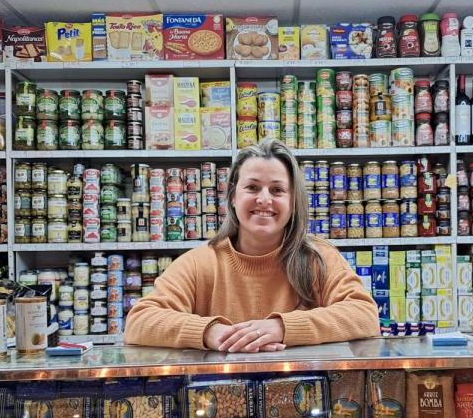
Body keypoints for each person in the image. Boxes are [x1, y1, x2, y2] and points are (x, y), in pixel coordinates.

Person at [125, 138, 379, 352]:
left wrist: (282, 328)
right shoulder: (199, 263)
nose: (264, 199)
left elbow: (365, 315)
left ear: (293, 202)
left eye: (277, 190)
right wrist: (210, 332)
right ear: (233, 197)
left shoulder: (319, 257)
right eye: (252, 187)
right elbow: (139, 321)